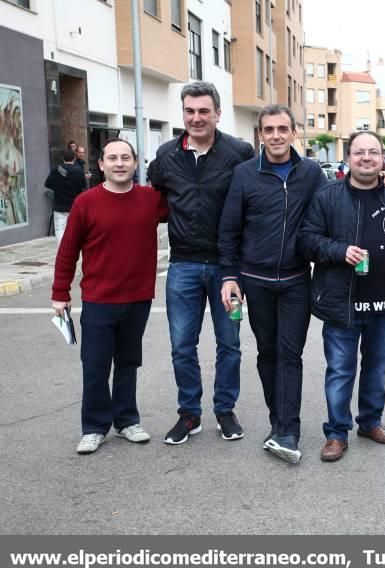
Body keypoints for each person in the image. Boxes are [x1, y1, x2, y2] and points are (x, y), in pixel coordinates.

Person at [217, 105, 330, 464]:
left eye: (283, 129)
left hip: (297, 280)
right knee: (267, 353)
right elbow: (229, 229)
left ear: (294, 133)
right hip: (256, 281)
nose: (277, 135)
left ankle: (289, 431)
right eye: (269, 130)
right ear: (261, 135)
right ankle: (276, 421)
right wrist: (230, 276)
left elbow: (335, 207)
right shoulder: (245, 174)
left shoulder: (311, 173)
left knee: (290, 355)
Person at [147, 81, 254, 445]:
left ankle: (225, 410)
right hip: (183, 266)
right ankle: (189, 414)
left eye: (203, 111)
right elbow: (151, 202)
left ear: (217, 114)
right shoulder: (165, 156)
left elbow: (262, 193)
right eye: (190, 111)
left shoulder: (240, 153)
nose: (196, 118)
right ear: (183, 114)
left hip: (228, 270)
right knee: (181, 346)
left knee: (230, 343)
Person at [299, 131, 385, 462]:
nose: (366, 157)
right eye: (359, 152)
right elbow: (307, 239)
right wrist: (338, 250)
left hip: (384, 303)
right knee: (340, 370)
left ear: (383, 159)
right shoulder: (328, 195)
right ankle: (336, 433)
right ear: (348, 157)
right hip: (341, 303)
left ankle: (370, 422)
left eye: (373, 152)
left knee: (376, 368)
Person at [51, 138, 168, 454]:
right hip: (99, 300)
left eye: (126, 158)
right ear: (101, 165)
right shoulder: (86, 202)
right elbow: (68, 251)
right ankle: (94, 426)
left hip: (139, 299)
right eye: (112, 158)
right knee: (96, 366)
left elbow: (189, 204)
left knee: (128, 363)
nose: (119, 163)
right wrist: (59, 293)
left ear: (134, 164)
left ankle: (127, 421)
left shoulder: (151, 199)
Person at [45, 148, 87, 243]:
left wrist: (57, 187)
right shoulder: (79, 171)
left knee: (60, 229)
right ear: (74, 158)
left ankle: (62, 249)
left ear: (62, 158)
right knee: (76, 228)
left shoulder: (56, 170)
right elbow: (83, 186)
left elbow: (47, 184)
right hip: (74, 204)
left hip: (59, 204)